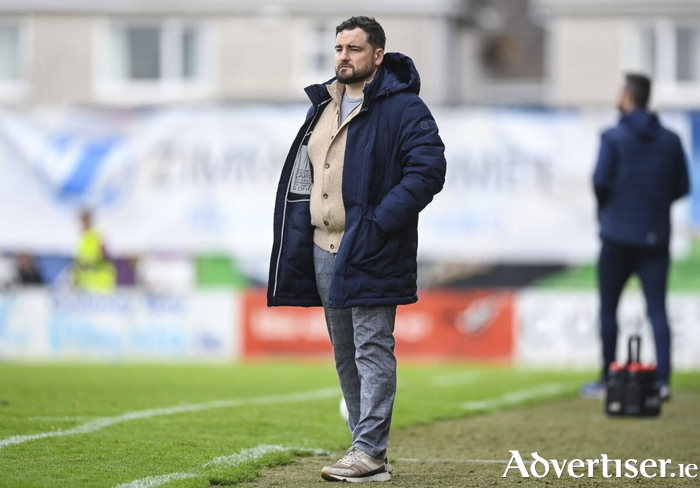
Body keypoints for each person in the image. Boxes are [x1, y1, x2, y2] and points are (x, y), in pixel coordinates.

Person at [267, 16, 446, 482]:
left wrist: (379, 221)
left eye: (355, 49)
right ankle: (364, 449)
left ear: (378, 56)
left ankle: (370, 452)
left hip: (371, 245)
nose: (344, 57)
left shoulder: (405, 107)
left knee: (371, 348)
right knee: (345, 351)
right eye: (339, 48)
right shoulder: (323, 105)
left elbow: (428, 171)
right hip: (324, 247)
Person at [581, 73, 690, 401]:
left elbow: (599, 181)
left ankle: (607, 380)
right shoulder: (671, 139)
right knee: (657, 309)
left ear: (627, 96)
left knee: (608, 309)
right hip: (655, 237)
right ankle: (663, 382)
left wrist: (611, 208)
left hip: (616, 235)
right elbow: (683, 187)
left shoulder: (613, 137)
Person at [73, 210, 116, 293]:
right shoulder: (84, 237)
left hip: (100, 282)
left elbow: (106, 258)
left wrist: (89, 265)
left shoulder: (96, 236)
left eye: (84, 220)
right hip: (87, 283)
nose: (82, 223)